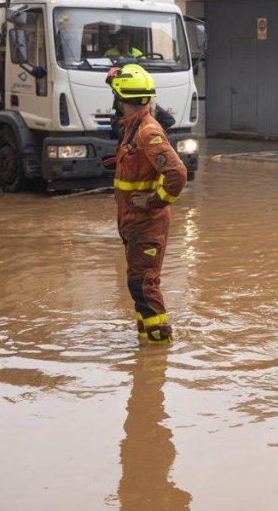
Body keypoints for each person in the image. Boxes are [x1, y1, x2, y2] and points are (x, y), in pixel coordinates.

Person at [105, 63, 187, 344]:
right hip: (133, 222)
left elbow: (177, 174)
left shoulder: (147, 133)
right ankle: (147, 346)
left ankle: (158, 346)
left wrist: (154, 201)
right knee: (138, 283)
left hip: (146, 222)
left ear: (120, 98)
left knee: (143, 284)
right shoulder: (134, 128)